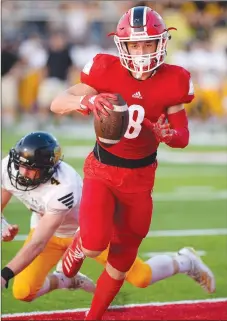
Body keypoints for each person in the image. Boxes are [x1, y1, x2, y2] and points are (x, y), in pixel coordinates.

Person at [50, 6, 215, 320]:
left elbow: (183, 136)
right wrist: (85, 101)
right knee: (95, 243)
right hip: (102, 169)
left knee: (123, 261)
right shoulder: (103, 69)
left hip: (141, 180)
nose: (141, 51)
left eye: (148, 43)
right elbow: (57, 103)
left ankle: (93, 316)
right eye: (135, 44)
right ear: (122, 46)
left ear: (161, 43)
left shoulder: (175, 79)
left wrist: (170, 134)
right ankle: (80, 243)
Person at [1, 131, 96, 301]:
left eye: (31, 168)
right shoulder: (9, 167)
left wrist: (5, 274)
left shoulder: (64, 186)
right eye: (20, 165)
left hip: (86, 232)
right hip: (49, 231)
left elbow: (37, 244)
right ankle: (66, 281)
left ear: (47, 169)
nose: (22, 172)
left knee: (139, 276)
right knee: (23, 291)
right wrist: (2, 226)